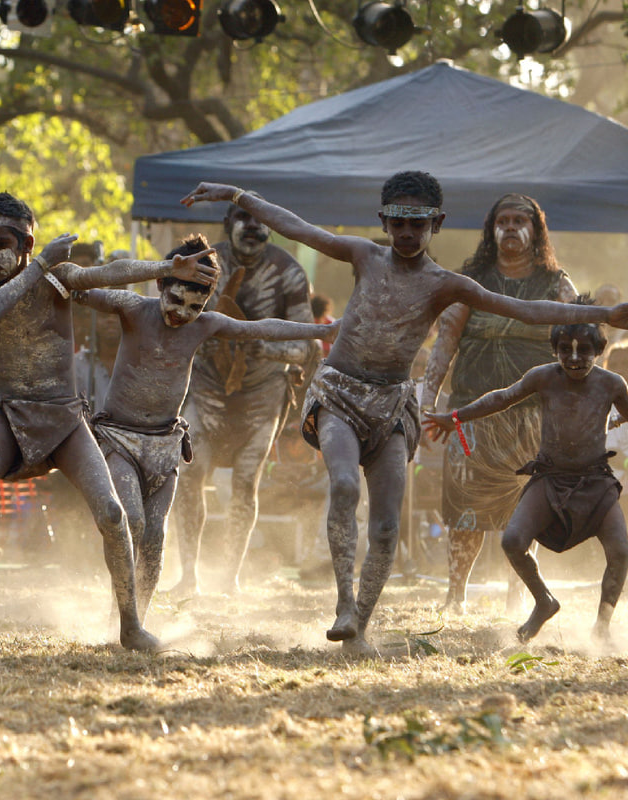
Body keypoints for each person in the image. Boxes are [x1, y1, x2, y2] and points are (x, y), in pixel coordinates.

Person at [181, 172, 628, 655]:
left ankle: (360, 625)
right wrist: (237, 195)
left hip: (393, 405)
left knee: (389, 523)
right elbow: (300, 229)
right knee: (346, 486)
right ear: (384, 222)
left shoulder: (446, 284)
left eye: (417, 224)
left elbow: (525, 310)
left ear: (435, 224)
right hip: (340, 393)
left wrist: (603, 317)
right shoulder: (364, 255)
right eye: (397, 223)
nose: (407, 234)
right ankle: (345, 603)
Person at [0, 192, 218, 652]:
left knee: (114, 515)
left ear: (27, 242)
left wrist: (165, 271)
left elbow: (106, 275)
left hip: (64, 417)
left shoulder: (58, 276)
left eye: (1, 241)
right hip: (8, 414)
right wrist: (39, 265)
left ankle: (130, 625)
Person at [76, 234, 335, 621]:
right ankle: (119, 612)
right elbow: (78, 282)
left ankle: (133, 621)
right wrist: (160, 267)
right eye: (176, 299)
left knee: (154, 537)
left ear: (208, 303)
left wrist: (319, 332)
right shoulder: (134, 308)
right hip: (121, 438)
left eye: (195, 306)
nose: (181, 313)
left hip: (165, 445)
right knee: (129, 519)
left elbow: (263, 328)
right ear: (162, 285)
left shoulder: (206, 324)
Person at [424, 314, 628, 643]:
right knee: (512, 541)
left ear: (599, 351)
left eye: (584, 351)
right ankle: (544, 601)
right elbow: (501, 398)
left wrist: (612, 421)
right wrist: (456, 416)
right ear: (555, 350)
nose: (574, 359)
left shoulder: (612, 384)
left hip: (595, 482)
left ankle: (602, 627)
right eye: (565, 350)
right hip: (550, 477)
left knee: (620, 551)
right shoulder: (543, 377)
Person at [421, 194, 576, 613]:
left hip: (536, 418)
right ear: (491, 230)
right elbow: (444, 345)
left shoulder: (558, 285)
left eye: (520, 221)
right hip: (471, 415)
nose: (511, 227)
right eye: (503, 221)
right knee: (465, 509)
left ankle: (517, 598)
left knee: (528, 510)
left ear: (536, 230)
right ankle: (455, 598)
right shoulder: (468, 283)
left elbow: (578, 352)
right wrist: (426, 403)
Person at [169, 196, 321, 596]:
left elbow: (306, 346)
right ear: (226, 222)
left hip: (262, 393)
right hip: (205, 388)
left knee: (246, 480)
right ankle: (189, 575)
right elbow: (173, 321)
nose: (252, 227)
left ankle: (230, 578)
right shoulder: (202, 263)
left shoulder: (288, 273)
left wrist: (256, 347)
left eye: (259, 219)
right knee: (189, 473)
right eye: (242, 218)